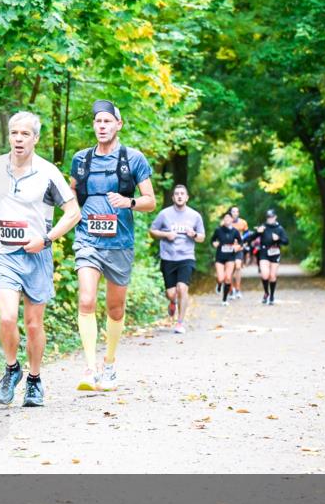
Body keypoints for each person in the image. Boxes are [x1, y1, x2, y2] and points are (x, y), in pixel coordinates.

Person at [0, 111, 81, 406]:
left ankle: (34, 379)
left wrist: (46, 238)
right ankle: (11, 369)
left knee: (32, 324)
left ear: (36, 138)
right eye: (14, 133)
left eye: (25, 134)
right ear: (9, 135)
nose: (19, 139)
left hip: (37, 256)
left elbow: (73, 213)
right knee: (7, 317)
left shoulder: (48, 173)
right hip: (4, 254)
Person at [69, 100, 156, 391]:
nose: (102, 126)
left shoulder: (133, 159)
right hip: (87, 239)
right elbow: (70, 197)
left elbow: (150, 201)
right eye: (98, 122)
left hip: (120, 242)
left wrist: (129, 201)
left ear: (119, 124)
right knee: (86, 300)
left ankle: (109, 363)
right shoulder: (81, 160)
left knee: (115, 309)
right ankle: (90, 368)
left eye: (107, 121)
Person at [149, 184, 205, 334]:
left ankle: (180, 323)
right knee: (171, 293)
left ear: (187, 197)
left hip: (186, 257)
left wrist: (193, 234)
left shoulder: (195, 216)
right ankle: (172, 301)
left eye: (182, 194)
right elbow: (152, 231)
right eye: (177, 194)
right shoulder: (164, 214)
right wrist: (166, 235)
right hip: (168, 257)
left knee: (182, 288)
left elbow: (202, 237)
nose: (180, 196)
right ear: (173, 198)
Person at [243, 208, 289, 305]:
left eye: (271, 217)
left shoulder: (279, 228)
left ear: (275, 217)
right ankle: (266, 293)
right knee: (265, 274)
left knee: (272, 276)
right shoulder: (263, 227)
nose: (270, 219)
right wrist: (258, 233)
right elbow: (251, 238)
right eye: (268, 217)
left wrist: (278, 239)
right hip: (264, 252)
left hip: (275, 252)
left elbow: (286, 241)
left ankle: (272, 295)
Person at [210, 212, 242, 306]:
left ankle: (224, 300)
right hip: (220, 256)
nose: (227, 220)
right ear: (223, 220)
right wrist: (214, 243)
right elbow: (212, 240)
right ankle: (219, 284)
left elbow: (241, 242)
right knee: (221, 278)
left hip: (230, 257)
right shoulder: (218, 230)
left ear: (232, 220)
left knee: (228, 278)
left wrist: (237, 247)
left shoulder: (235, 231)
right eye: (225, 218)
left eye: (229, 218)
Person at [228, 205, 249, 298]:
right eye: (233, 211)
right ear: (230, 213)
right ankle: (231, 290)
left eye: (236, 211)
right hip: (229, 249)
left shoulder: (243, 222)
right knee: (230, 269)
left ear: (238, 213)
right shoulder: (226, 222)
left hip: (239, 248)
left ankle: (238, 289)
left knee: (238, 266)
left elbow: (247, 233)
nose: (235, 213)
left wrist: (244, 241)